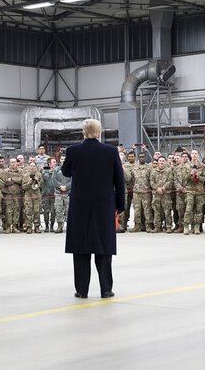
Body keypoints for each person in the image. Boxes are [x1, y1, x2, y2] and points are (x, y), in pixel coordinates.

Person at [61, 119, 125, 299]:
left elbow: (66, 172)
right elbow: (119, 181)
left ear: (83, 132)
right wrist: (120, 205)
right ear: (99, 132)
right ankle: (106, 289)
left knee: (81, 247)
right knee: (103, 247)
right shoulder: (110, 152)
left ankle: (82, 290)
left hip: (80, 205)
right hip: (104, 206)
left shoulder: (73, 151)